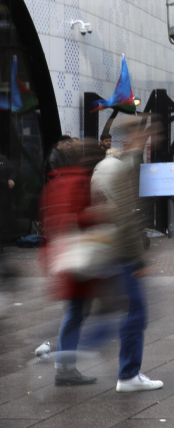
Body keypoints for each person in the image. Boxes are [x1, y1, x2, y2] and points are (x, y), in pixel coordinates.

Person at [91, 119, 163, 392]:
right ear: (135, 135)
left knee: (119, 311)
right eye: (149, 133)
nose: (153, 137)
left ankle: (125, 371)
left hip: (115, 251)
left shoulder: (117, 165)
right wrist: (138, 260)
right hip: (123, 254)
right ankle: (128, 374)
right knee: (134, 313)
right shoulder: (122, 169)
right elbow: (126, 217)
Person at [41, 139, 98, 386]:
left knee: (75, 311)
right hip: (78, 256)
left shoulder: (54, 183)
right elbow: (80, 218)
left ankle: (64, 364)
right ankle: (65, 366)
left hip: (63, 255)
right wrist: (101, 214)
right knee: (76, 312)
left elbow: (49, 220)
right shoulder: (80, 181)